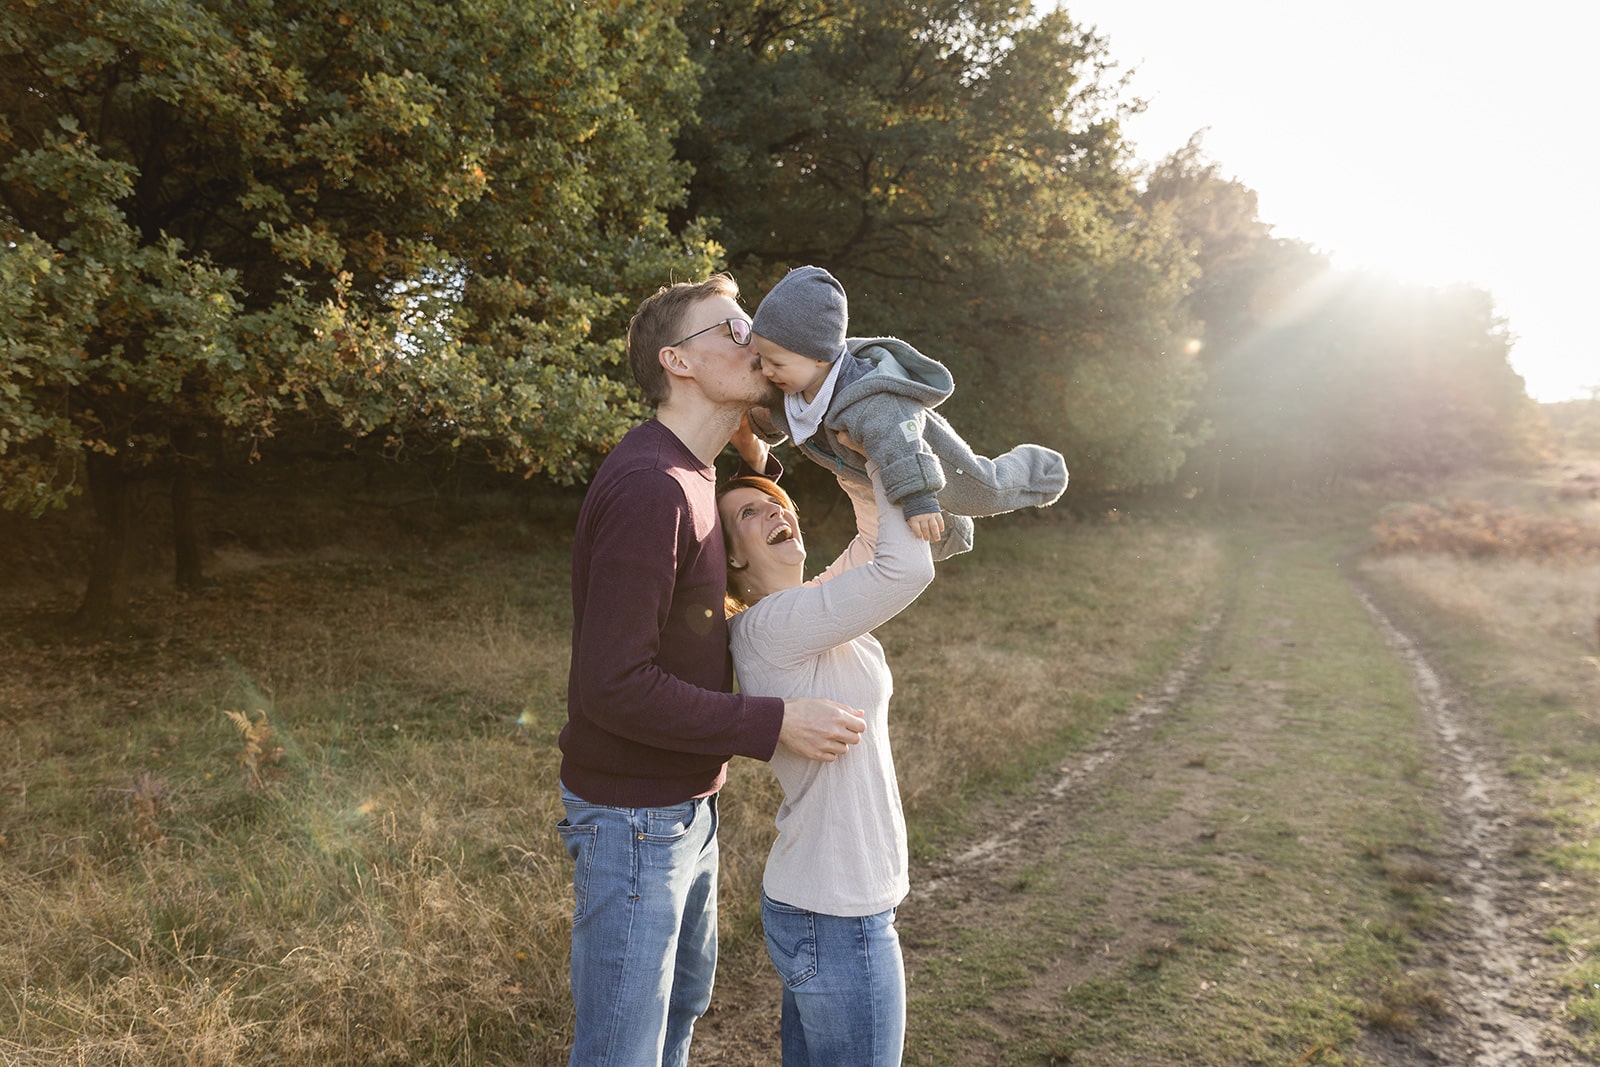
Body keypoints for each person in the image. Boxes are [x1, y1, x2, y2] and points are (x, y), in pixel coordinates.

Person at [558, 272, 869, 1067]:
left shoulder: (692, 474)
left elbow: (754, 516)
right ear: (678, 362)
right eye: (732, 329)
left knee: (676, 1017)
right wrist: (772, 723)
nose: (753, 338)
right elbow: (613, 686)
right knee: (624, 1047)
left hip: (684, 808)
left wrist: (752, 434)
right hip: (634, 817)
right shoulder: (649, 486)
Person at [718, 450, 936, 1067]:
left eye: (779, 504)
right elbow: (907, 569)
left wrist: (851, 456)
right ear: (733, 556)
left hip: (827, 901)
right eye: (750, 513)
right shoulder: (771, 624)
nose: (775, 511)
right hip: (838, 912)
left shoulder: (809, 605)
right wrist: (883, 445)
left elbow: (874, 536)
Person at [748, 265, 1068, 554]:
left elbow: (901, 447)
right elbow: (780, 414)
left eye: (776, 363)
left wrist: (919, 499)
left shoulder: (871, 400)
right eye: (762, 358)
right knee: (924, 521)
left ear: (820, 357)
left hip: (916, 447)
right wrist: (756, 424)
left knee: (980, 493)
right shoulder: (795, 385)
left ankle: (1037, 468)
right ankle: (950, 526)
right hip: (884, 467)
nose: (766, 371)